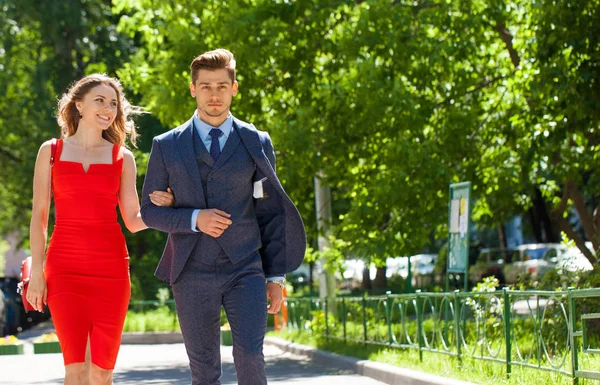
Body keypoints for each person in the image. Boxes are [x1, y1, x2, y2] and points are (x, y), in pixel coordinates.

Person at [140, 48, 306, 385]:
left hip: (245, 267)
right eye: (205, 86)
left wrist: (275, 276)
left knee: (249, 356)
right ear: (192, 89)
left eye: (221, 86)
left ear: (234, 88)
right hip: (190, 270)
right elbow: (149, 211)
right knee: (204, 371)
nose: (213, 95)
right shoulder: (166, 145)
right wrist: (192, 218)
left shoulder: (256, 141)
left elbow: (270, 211)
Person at [27, 73, 174, 385]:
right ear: (79, 104)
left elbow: (133, 220)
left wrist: (160, 209)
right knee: (76, 370)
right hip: (64, 268)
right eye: (100, 101)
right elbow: (39, 216)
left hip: (111, 271)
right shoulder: (50, 152)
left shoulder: (122, 157)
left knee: (102, 373)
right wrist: (38, 274)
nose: (108, 109)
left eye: (113, 103)